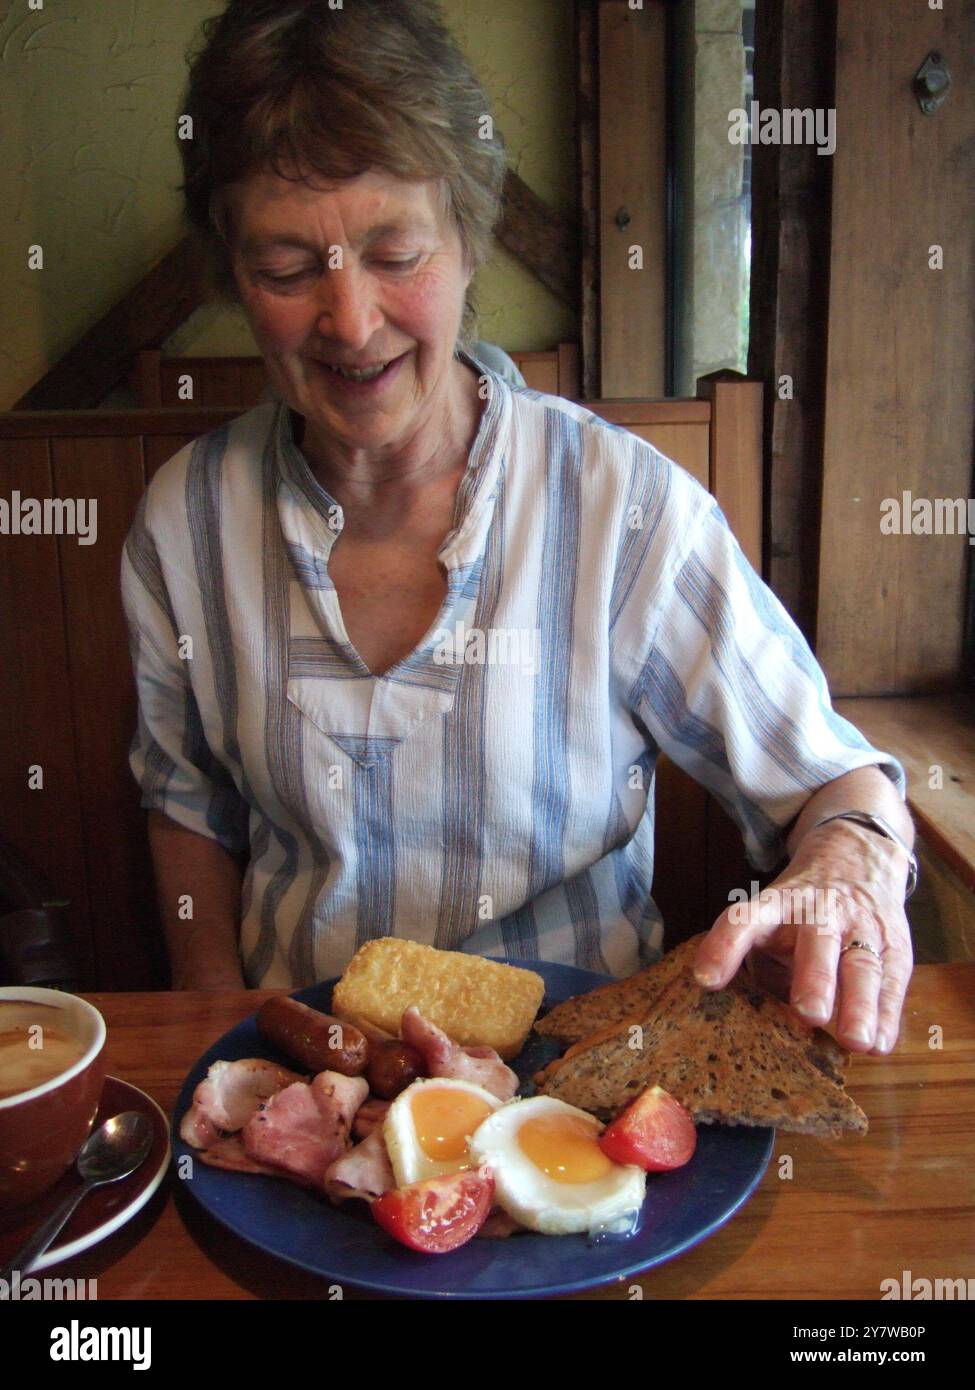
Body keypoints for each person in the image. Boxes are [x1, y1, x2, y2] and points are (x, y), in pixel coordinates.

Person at [121, 0, 915, 1059]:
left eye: (397, 251)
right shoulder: (185, 521)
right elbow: (187, 808)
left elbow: (836, 784)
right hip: (308, 1084)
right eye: (286, 269)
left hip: (574, 1097)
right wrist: (219, 1039)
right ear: (231, 273)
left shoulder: (621, 506)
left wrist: (847, 868)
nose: (351, 322)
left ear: (468, 233)